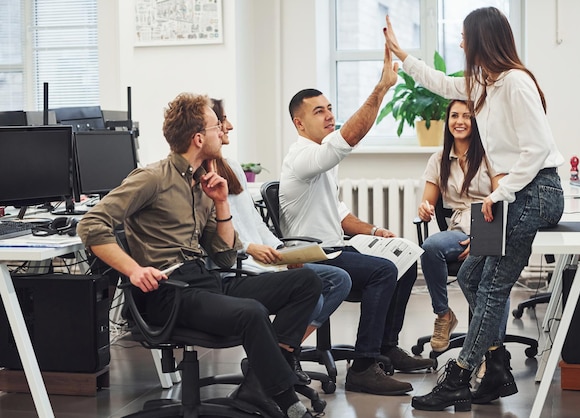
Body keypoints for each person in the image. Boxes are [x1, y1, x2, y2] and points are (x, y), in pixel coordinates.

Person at [77, 92, 322, 418]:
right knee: (251, 312)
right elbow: (91, 225)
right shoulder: (152, 178)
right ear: (197, 138)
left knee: (306, 281)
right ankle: (287, 401)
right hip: (169, 291)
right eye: (214, 127)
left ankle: (257, 388)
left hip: (204, 282)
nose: (222, 133)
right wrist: (134, 270)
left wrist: (221, 203)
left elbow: (222, 258)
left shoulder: (202, 184)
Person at [385, 7, 564, 412]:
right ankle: (498, 366)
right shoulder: (484, 83)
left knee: (492, 284)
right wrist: (402, 55)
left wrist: (500, 195)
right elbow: (441, 82)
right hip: (516, 194)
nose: (461, 43)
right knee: (469, 275)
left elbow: (536, 150)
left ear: (482, 38)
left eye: (465, 36)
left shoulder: (517, 83)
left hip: (536, 191)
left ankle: (461, 377)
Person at [279, 46, 434, 397]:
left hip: (335, 245)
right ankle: (364, 366)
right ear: (299, 123)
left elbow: (340, 214)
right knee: (383, 271)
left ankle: (385, 347)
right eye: (319, 112)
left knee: (406, 255)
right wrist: (381, 88)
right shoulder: (301, 156)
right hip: (313, 253)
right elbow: (348, 139)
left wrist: (377, 232)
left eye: (330, 108)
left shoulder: (322, 161)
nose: (329, 115)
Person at [210, 98, 352, 384]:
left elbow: (254, 223)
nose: (230, 126)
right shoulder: (200, 180)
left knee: (339, 280)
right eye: (222, 120)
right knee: (312, 288)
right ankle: (277, 360)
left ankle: (277, 355)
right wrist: (250, 249)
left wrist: (282, 250)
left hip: (266, 260)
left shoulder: (232, 168)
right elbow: (215, 239)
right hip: (239, 267)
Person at [419, 99, 500, 353]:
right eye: (455, 116)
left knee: (494, 275)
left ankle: (490, 347)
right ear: (448, 121)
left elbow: (501, 199)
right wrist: (424, 208)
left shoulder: (490, 154)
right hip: (458, 229)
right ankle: (444, 316)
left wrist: (481, 239)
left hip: (489, 225)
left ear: (476, 122)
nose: (460, 121)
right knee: (430, 246)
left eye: (467, 116)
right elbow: (428, 200)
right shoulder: (439, 159)